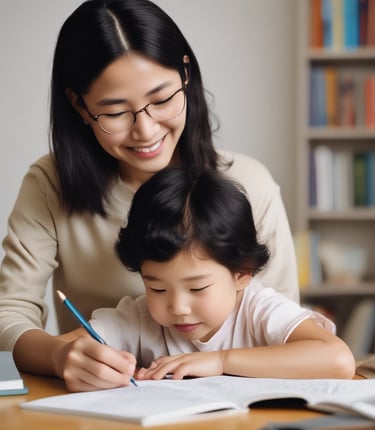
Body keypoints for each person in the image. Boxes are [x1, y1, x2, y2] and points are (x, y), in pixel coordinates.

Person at [0, 0, 298, 378]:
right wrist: (58, 356)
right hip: (102, 406)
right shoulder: (52, 184)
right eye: (115, 112)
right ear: (78, 105)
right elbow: (8, 314)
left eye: (161, 100)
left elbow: (287, 332)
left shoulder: (250, 184)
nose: (145, 130)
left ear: (186, 76)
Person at [57, 167, 355, 392]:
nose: (177, 307)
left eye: (197, 287)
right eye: (156, 287)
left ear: (242, 273)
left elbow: (339, 360)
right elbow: (48, 350)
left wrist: (220, 361)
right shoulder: (139, 317)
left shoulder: (259, 310)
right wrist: (65, 358)